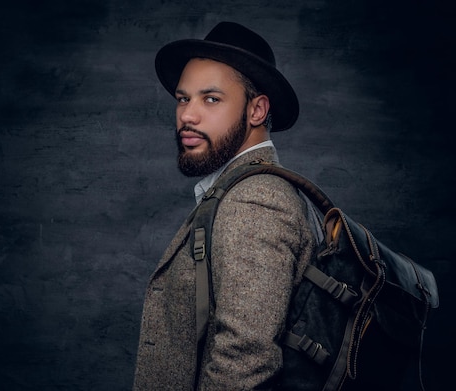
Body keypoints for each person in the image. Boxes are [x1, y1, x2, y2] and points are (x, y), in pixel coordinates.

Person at [133, 21, 319, 390]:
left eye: (211, 99)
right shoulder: (238, 190)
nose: (187, 115)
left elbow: (244, 359)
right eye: (183, 98)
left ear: (256, 110)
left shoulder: (255, 200)